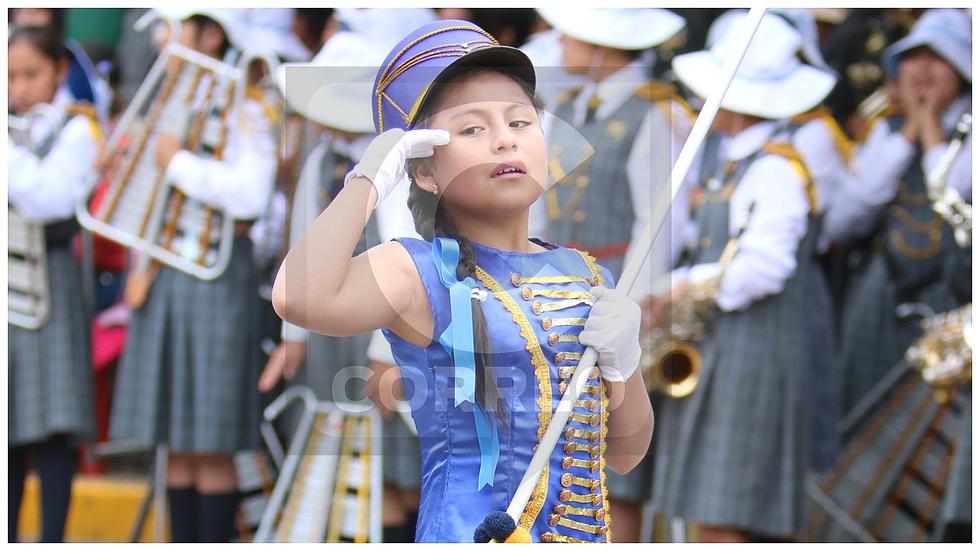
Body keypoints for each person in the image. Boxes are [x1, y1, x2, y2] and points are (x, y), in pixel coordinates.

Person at [273, 19, 653, 543]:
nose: (504, 140)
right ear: (425, 170)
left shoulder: (586, 274)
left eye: (521, 122)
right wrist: (368, 181)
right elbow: (295, 296)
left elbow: (626, 456)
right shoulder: (417, 269)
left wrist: (625, 363)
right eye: (473, 129)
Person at [649, 12, 836, 542]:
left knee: (723, 513)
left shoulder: (776, 168)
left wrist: (682, 287)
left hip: (753, 353)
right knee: (707, 506)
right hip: (724, 348)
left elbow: (764, 268)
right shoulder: (734, 160)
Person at [105, 8, 278, 543]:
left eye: (175, 25)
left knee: (211, 441)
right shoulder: (173, 93)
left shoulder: (248, 99)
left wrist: (176, 163)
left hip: (216, 277)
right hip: (166, 277)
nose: (163, 37)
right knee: (174, 441)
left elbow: (252, 193)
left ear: (210, 30)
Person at [531, 8, 693, 540]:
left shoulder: (654, 114)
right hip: (557, 289)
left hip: (614, 291)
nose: (560, 41)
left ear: (602, 43)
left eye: (571, 32)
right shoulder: (570, 105)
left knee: (607, 461)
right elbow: (537, 203)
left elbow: (662, 221)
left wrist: (636, 307)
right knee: (553, 448)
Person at [257, 29, 424, 542]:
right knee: (339, 458)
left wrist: (386, 351)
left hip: (378, 330)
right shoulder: (321, 163)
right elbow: (302, 249)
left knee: (390, 473)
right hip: (331, 333)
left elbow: (408, 254)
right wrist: (293, 338)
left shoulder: (399, 168)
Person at [822, 9, 971, 540]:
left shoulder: (969, 132)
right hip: (880, 299)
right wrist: (908, 131)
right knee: (860, 423)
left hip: (951, 308)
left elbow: (955, 197)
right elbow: (844, 216)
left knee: (927, 448)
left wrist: (933, 130)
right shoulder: (885, 129)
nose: (922, 71)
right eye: (912, 58)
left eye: (937, 58)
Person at [8, 24, 101, 543]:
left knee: (53, 429)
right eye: (11, 76)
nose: (18, 88)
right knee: (9, 434)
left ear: (60, 71)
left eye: (31, 74)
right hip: (7, 286)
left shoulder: (77, 128)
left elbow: (48, 199)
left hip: (52, 285)